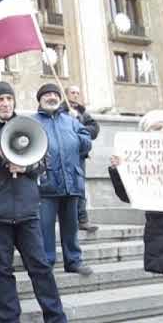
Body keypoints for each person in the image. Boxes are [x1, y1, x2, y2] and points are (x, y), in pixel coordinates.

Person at [0, 81, 67, 323]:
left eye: (9, 99)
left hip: (27, 212)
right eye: (0, 99)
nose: (5, 103)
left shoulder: (27, 127)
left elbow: (43, 163)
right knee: (2, 272)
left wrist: (27, 165)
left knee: (41, 268)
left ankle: (55, 317)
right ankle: (9, 318)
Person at [109, 109, 163, 309]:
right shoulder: (138, 158)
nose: (162, 131)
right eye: (156, 128)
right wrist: (119, 171)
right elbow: (127, 196)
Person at [33, 83, 94, 276]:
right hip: (46, 183)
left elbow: (86, 146)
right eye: (47, 94)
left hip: (71, 182)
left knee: (71, 226)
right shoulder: (33, 122)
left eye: (54, 94)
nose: (51, 97)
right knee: (45, 227)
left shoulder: (72, 121)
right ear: (40, 99)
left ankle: (74, 261)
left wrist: (80, 125)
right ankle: (47, 262)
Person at [64, 86, 100, 233]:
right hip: (63, 155)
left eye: (78, 93)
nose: (76, 95)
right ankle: (68, 219)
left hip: (79, 156)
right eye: (73, 93)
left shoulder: (82, 113)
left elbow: (94, 128)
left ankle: (82, 219)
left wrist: (79, 125)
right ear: (65, 95)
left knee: (79, 187)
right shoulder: (59, 110)